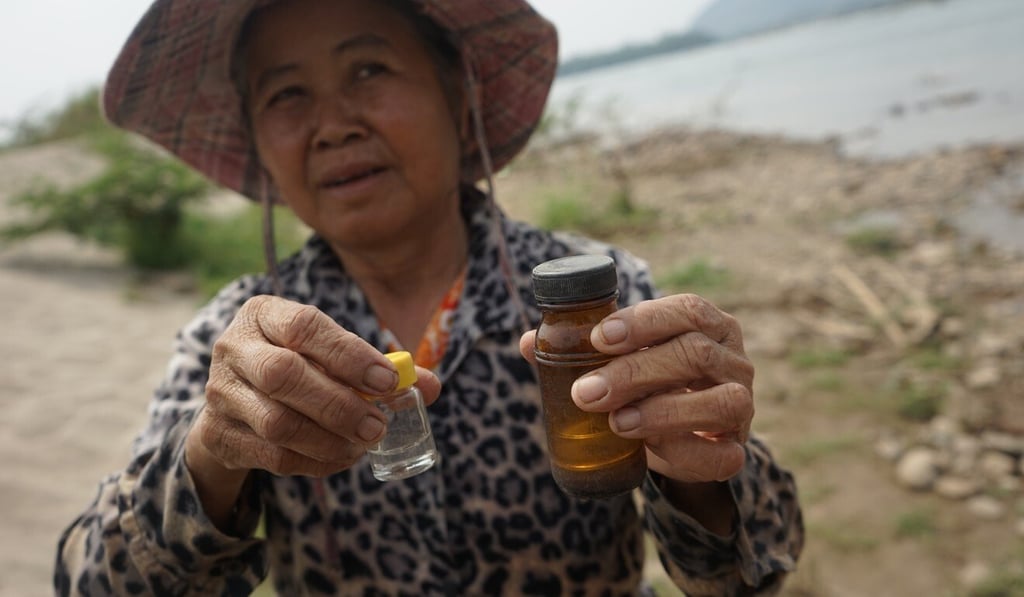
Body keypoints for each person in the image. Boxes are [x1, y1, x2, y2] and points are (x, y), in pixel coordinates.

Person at [55, 0, 804, 594]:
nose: (333, 125)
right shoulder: (235, 343)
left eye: (369, 71)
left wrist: (706, 466)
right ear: (256, 141)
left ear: (457, 94)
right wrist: (214, 450)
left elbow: (747, 572)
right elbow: (89, 580)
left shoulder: (598, 300)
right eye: (286, 94)